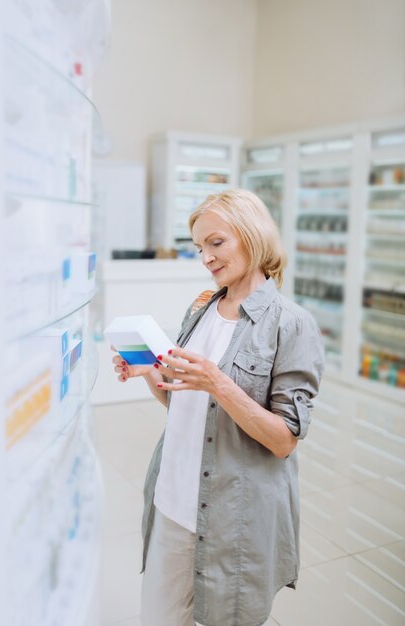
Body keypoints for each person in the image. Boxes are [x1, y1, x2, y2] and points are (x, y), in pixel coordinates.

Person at [112, 188, 325, 626]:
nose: (206, 257)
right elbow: (181, 403)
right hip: (171, 496)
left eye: (216, 242)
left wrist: (218, 384)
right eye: (199, 247)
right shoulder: (202, 308)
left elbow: (284, 440)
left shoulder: (292, 324)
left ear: (252, 236)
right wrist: (150, 371)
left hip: (231, 516)